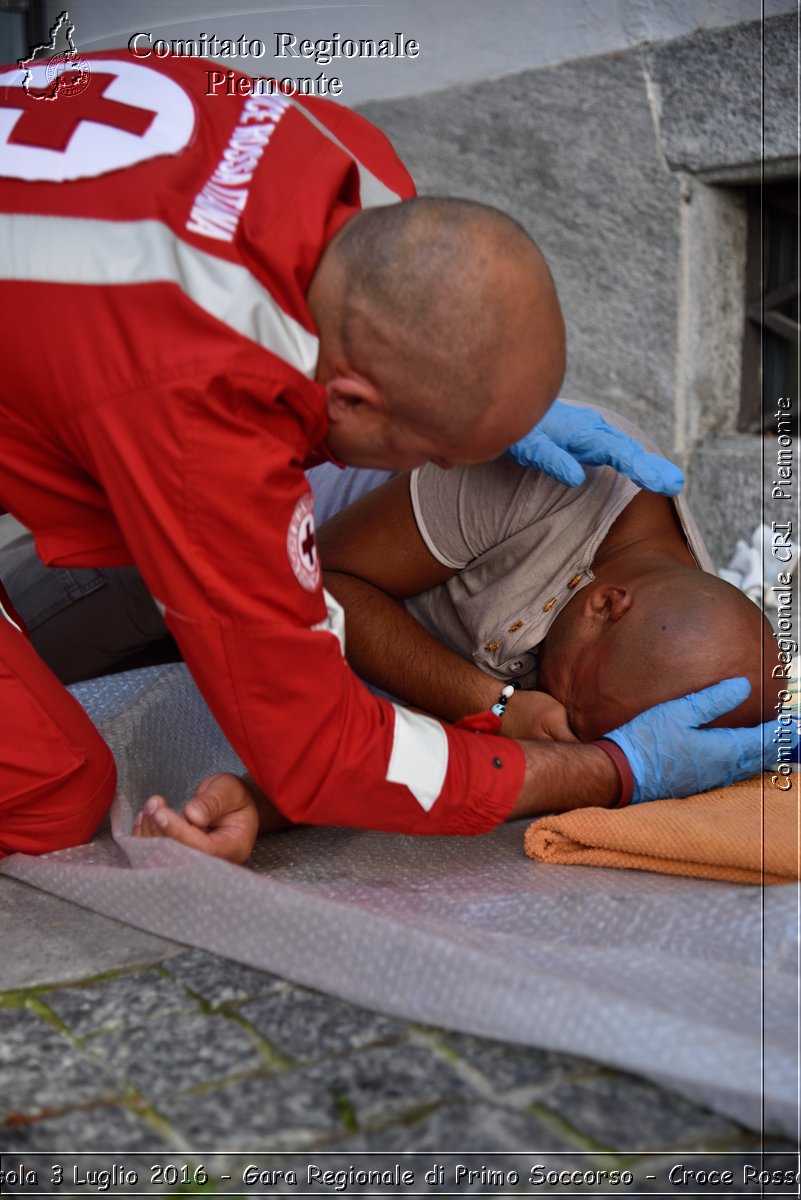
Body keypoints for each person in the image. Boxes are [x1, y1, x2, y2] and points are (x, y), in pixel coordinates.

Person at [0, 50, 772, 859]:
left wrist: (480, 423)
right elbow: (324, 751)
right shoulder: (199, 414)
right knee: (51, 795)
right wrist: (609, 769)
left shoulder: (358, 166)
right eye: (437, 451)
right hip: (135, 383)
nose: (442, 472)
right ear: (354, 399)